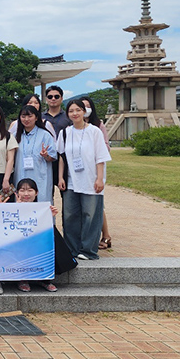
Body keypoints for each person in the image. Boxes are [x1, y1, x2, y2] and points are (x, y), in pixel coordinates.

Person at [57, 99, 112, 261]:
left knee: (91, 215)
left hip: (91, 179)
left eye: (78, 110)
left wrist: (100, 179)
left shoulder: (94, 131)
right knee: (70, 215)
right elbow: (61, 157)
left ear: (84, 112)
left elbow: (100, 157)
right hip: (71, 180)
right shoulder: (65, 133)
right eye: (71, 111)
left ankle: (88, 250)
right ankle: (72, 249)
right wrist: (60, 177)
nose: (75, 113)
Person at [14, 178, 59, 293]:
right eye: (22, 190)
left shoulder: (42, 209)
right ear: (17, 193)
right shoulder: (12, 208)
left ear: (36, 193)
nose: (26, 194)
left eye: (30, 190)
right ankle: (22, 279)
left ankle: (45, 279)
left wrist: (50, 215)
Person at [80, 96, 113, 250]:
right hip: (80, 171)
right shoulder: (73, 126)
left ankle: (106, 235)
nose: (85, 109)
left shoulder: (98, 125)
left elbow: (106, 147)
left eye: (87, 106)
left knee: (97, 204)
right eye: (82, 106)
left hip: (95, 169)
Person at [13, 105, 58, 203]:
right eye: (23, 116)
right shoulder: (16, 135)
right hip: (21, 174)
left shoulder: (45, 135)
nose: (26, 119)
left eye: (30, 116)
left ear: (36, 117)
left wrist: (46, 155)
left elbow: (53, 157)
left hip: (39, 176)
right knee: (21, 202)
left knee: (41, 201)